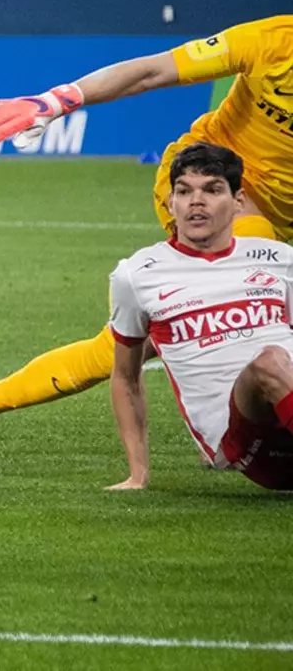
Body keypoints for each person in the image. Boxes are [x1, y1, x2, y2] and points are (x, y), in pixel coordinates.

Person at [0, 16, 293, 458]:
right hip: (216, 188)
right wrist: (56, 101)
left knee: (124, 348)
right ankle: (233, 434)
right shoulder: (273, 42)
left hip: (279, 219)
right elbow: (152, 71)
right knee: (248, 313)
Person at [107, 143, 293, 492]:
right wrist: (137, 475)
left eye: (212, 190)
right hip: (251, 445)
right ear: (170, 202)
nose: (196, 201)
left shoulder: (279, 258)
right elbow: (125, 375)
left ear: (238, 202)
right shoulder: (138, 274)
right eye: (184, 191)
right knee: (269, 363)